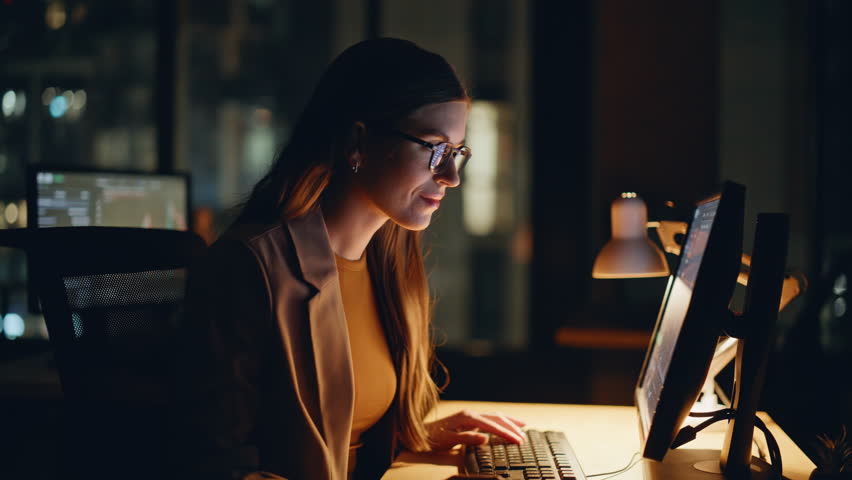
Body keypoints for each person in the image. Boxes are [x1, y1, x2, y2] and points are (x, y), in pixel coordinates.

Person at [173, 38, 525, 480]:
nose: (451, 176)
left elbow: (341, 435)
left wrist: (414, 435)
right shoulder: (251, 266)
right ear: (358, 140)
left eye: (456, 152)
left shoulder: (388, 256)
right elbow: (215, 468)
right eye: (434, 147)